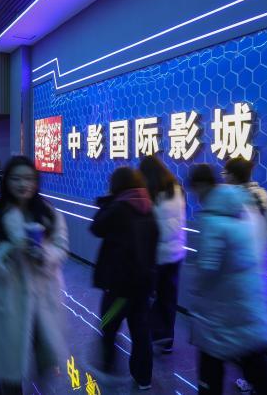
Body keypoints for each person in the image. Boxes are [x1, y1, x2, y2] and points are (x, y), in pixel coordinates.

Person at [0, 156, 69, 395]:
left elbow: (61, 247)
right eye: (16, 178)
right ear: (6, 181)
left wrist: (43, 254)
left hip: (43, 299)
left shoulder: (48, 213)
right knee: (10, 370)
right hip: (7, 301)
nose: (23, 184)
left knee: (44, 362)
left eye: (28, 178)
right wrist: (9, 248)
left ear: (36, 182)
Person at [188, 164, 267, 395]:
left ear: (201, 186)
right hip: (250, 301)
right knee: (257, 369)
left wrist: (195, 295)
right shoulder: (247, 206)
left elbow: (207, 269)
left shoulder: (213, 219)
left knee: (211, 371)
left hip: (221, 313)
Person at [90, 167, 159, 390]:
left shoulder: (118, 207)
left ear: (117, 185)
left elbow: (96, 227)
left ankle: (108, 368)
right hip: (143, 284)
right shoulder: (149, 206)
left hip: (119, 286)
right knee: (141, 331)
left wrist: (108, 201)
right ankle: (143, 377)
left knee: (108, 325)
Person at [222, 158, 267, 394]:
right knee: (252, 333)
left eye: (225, 173)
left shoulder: (236, 201)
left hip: (243, 276)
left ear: (232, 175)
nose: (223, 177)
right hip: (264, 271)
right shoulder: (263, 197)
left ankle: (257, 381)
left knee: (247, 338)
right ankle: (254, 379)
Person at [138, 155, 186, 354]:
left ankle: (149, 335)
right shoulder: (177, 190)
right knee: (169, 296)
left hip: (156, 255)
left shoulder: (149, 194)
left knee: (147, 297)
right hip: (176, 253)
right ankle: (167, 339)